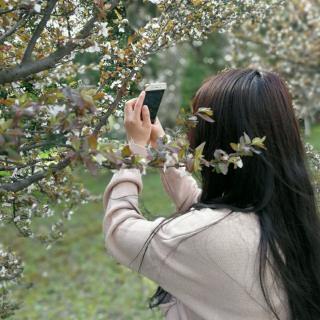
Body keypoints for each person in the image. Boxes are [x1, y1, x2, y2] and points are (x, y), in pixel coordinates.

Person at [102, 68, 320, 320]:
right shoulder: (288, 215)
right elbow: (206, 211)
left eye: (197, 123)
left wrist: (134, 150)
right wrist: (162, 149)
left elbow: (119, 230)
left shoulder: (203, 235)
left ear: (214, 141)